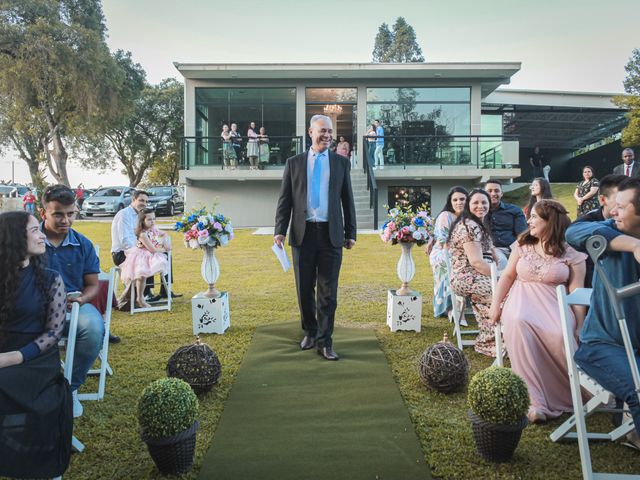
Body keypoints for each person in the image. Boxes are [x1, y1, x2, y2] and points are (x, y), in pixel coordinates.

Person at [489, 200, 587, 423]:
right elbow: (507, 276)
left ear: (550, 221)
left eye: (534, 217)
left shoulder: (571, 254)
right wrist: (496, 305)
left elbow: (577, 292)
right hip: (521, 300)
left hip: (554, 304)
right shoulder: (522, 244)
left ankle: (570, 392)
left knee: (561, 335)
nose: (529, 221)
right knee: (519, 322)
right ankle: (535, 402)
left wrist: (579, 325)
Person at [274, 114, 356, 361]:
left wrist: (350, 232)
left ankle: (325, 341)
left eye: (330, 131)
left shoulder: (341, 163)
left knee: (328, 291)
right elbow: (285, 199)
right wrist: (280, 229)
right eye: (322, 131)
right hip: (303, 233)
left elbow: (347, 200)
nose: (327, 135)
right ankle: (309, 331)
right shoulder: (294, 163)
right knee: (304, 288)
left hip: (331, 235)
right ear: (310, 132)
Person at [566, 177, 640, 449]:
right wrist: (633, 246)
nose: (613, 211)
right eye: (614, 205)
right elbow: (573, 234)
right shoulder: (608, 232)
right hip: (602, 346)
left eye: (622, 206)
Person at [0, 211, 72, 478]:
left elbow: (53, 332)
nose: (43, 234)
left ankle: (30, 464)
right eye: (34, 231)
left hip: (36, 358)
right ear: (14, 238)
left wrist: (13, 357)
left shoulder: (51, 279)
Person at [39, 185, 105, 418]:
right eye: (58, 214)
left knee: (94, 328)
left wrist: (81, 299)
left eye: (71, 213)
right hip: (35, 308)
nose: (65, 220)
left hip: (73, 306)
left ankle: (70, 387)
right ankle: (37, 386)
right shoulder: (30, 240)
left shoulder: (83, 244)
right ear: (43, 212)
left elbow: (93, 285)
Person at [448, 188, 496, 357]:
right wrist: (501, 277)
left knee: (504, 290)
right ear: (469, 205)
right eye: (475, 202)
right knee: (500, 292)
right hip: (466, 277)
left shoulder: (480, 225)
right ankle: (490, 341)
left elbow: (491, 252)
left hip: (479, 275)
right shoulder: (469, 226)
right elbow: (476, 262)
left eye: (484, 202)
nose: (480, 206)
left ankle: (493, 339)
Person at [574, 174, 626, 288]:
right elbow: (571, 233)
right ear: (602, 199)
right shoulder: (584, 223)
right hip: (593, 285)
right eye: (618, 201)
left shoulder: (632, 221)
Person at [426, 186, 468, 319]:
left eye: (462, 199)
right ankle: (449, 306)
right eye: (455, 200)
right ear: (450, 202)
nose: (459, 202)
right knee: (453, 264)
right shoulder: (445, 216)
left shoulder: (469, 217)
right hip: (442, 251)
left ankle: (459, 302)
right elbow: (443, 240)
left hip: (460, 252)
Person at [119, 209, 170, 308]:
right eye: (149, 219)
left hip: (150, 255)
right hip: (140, 256)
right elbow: (153, 250)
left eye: (154, 219)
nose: (153, 222)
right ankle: (140, 298)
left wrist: (165, 241)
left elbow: (163, 233)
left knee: (154, 266)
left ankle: (141, 297)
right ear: (142, 221)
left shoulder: (153, 229)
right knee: (141, 274)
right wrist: (164, 249)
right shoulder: (142, 234)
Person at [484, 179, 528, 270]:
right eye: (489, 191)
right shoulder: (480, 212)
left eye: (496, 191)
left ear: (501, 193)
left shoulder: (514, 210)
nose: (493, 194)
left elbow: (522, 233)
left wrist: (516, 249)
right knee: (502, 261)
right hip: (493, 249)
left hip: (514, 247)